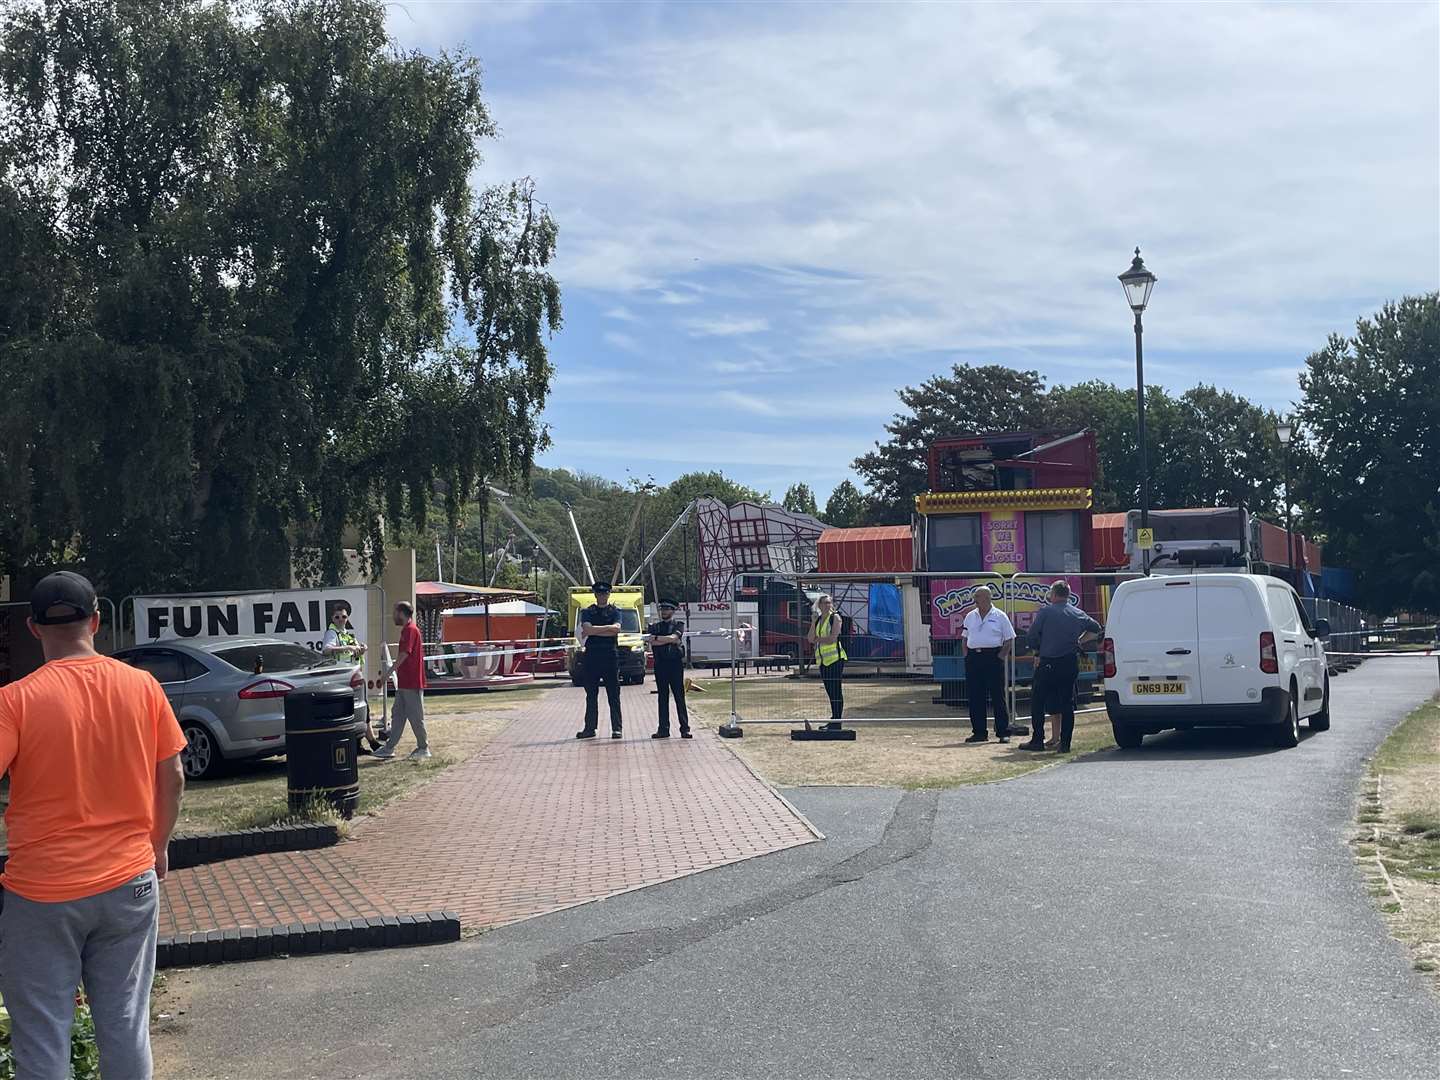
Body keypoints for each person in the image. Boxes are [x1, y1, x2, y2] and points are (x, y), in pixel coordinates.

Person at [0, 571, 186, 1080]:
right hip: (129, 880)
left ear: (35, 629)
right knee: (125, 1025)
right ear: (97, 622)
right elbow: (172, 774)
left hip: (41, 893)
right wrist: (159, 844)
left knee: (42, 1036)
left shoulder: (14, 701)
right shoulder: (142, 686)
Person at [1019, 581, 1103, 753]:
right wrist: (1080, 640)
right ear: (1068, 595)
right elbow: (1096, 629)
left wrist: (1038, 650)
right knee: (1067, 703)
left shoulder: (1046, 612)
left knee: (1038, 700)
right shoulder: (1077, 613)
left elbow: (1032, 636)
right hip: (1069, 661)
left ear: (1054, 594)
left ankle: (1038, 740)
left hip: (1048, 662)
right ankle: (1065, 744)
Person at [960, 585, 1016, 743]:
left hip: (992, 657)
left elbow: (1009, 638)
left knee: (998, 696)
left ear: (986, 598)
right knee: (975, 696)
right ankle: (979, 732)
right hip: (973, 658)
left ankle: (1003, 732)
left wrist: (1000, 656)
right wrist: (966, 654)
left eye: (977, 597)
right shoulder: (970, 616)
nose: (975, 600)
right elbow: (964, 636)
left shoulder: (1000, 616)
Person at [323, 602, 381, 752]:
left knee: (361, 708)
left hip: (354, 677)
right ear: (332, 618)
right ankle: (370, 742)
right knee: (357, 709)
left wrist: (361, 649)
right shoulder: (332, 633)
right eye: (337, 617)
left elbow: (354, 655)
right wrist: (348, 648)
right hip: (342, 678)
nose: (341, 619)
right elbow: (326, 650)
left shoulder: (347, 634)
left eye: (343, 616)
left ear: (347, 618)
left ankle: (361, 743)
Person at [376, 600, 430, 760]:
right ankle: (389, 748)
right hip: (405, 682)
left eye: (394, 612)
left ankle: (423, 748)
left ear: (401, 613)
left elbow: (404, 654)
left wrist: (388, 674)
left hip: (412, 682)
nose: (393, 616)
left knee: (415, 716)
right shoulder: (408, 630)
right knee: (398, 714)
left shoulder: (410, 631)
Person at [577, 581, 623, 739]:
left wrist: (594, 631)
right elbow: (587, 629)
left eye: (605, 593)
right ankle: (590, 728)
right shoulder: (587, 611)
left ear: (609, 594)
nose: (602, 596)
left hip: (610, 656)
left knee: (614, 694)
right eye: (599, 593)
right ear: (595, 594)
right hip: (592, 656)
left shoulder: (615, 611)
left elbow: (616, 630)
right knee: (591, 694)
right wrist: (606, 629)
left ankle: (617, 729)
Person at [647, 599, 691, 739]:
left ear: (673, 611)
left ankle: (685, 729)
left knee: (679, 697)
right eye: (662, 609)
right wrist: (665, 639)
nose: (664, 611)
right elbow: (652, 641)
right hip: (660, 664)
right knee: (662, 697)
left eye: (667, 609)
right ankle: (663, 729)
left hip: (675, 665)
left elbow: (674, 638)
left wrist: (660, 639)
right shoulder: (655, 626)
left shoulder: (678, 625)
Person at [806, 594, 846, 730]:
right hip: (823, 661)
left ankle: (837, 721)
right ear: (819, 605)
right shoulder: (818, 620)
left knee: (836, 691)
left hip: (835, 659)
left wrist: (817, 639)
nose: (827, 605)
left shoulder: (835, 617)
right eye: (824, 603)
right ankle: (834, 720)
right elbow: (810, 638)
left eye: (829, 602)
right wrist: (813, 622)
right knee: (830, 691)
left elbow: (832, 638)